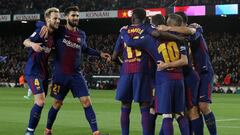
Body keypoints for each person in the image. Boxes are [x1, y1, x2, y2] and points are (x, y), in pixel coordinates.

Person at [38, 6, 110, 135]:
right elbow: (44, 22)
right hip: (60, 75)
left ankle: (96, 132)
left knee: (87, 101)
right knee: (57, 103)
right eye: (73, 15)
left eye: (77, 15)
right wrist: (42, 24)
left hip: (76, 75)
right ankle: (48, 129)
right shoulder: (59, 30)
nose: (76, 18)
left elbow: (86, 49)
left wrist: (99, 54)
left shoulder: (81, 34)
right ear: (66, 17)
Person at [112, 8, 185, 135]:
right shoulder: (146, 29)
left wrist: (123, 64)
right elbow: (157, 35)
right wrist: (178, 39)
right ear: (145, 18)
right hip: (142, 71)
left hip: (126, 72)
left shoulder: (124, 31)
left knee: (125, 107)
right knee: (145, 107)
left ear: (132, 18)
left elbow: (113, 57)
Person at [158, 12, 217, 135]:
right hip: (187, 75)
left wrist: (168, 28)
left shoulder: (194, 28)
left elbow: (191, 31)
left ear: (183, 23)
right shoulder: (174, 37)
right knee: (189, 110)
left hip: (203, 72)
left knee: (203, 106)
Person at [23, 7, 60, 135]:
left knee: (40, 103)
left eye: (58, 18)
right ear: (47, 19)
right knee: (40, 101)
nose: (58, 20)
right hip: (33, 70)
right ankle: (29, 132)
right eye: (55, 18)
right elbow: (25, 41)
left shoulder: (53, 34)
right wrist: (33, 44)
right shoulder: (41, 31)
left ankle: (31, 130)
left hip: (44, 72)